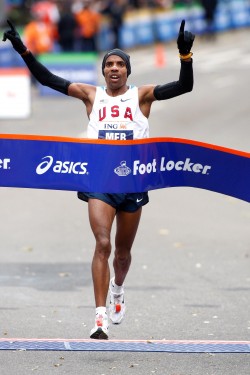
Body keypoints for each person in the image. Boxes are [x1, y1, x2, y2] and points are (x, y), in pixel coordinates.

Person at [2, 19, 195, 340]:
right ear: (103, 71)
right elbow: (48, 79)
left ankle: (118, 290)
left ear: (128, 72)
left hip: (133, 182)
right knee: (102, 243)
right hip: (99, 181)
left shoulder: (142, 96)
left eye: (120, 64)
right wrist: (23, 49)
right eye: (109, 65)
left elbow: (183, 86)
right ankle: (99, 317)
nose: (115, 68)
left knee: (121, 253)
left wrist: (185, 57)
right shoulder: (90, 96)